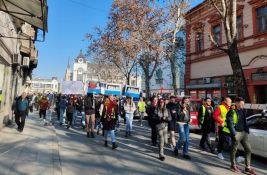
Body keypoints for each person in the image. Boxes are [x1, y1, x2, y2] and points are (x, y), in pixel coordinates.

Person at [225, 97, 256, 174]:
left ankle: (247, 167)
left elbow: (244, 121)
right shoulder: (232, 111)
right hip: (236, 133)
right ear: (237, 103)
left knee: (248, 149)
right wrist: (234, 133)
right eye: (241, 103)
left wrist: (247, 130)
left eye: (243, 103)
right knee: (234, 150)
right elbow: (230, 123)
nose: (243, 105)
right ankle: (233, 165)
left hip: (244, 132)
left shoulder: (243, 110)